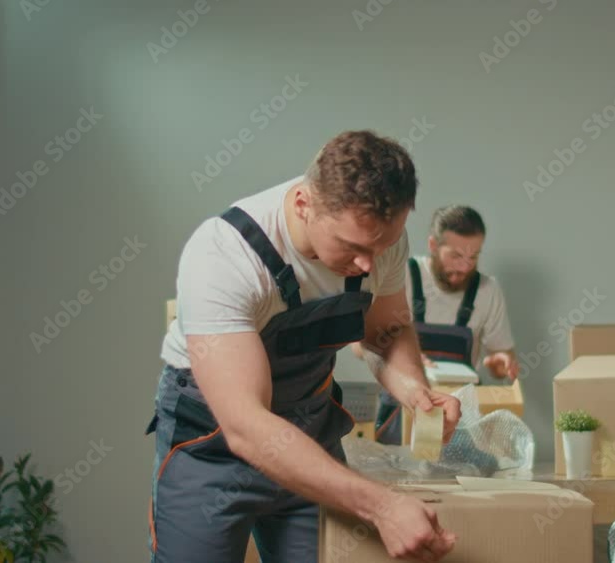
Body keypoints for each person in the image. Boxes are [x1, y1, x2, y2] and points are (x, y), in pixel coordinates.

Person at [146, 130, 461, 563]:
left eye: (383, 246)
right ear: (302, 205)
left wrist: (413, 391)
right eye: (353, 248)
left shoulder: (377, 239)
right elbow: (247, 427)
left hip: (309, 433)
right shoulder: (223, 255)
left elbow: (384, 333)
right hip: (213, 449)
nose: (370, 264)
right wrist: (382, 505)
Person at [366, 205, 519, 445]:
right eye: (456, 256)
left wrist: (499, 365)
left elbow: (502, 361)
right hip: (403, 410)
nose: (464, 267)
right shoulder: (401, 275)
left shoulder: (488, 291)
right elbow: (364, 343)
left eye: (474, 257)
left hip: (460, 418)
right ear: (433, 246)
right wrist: (411, 362)